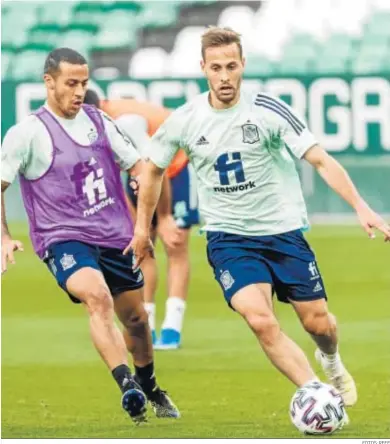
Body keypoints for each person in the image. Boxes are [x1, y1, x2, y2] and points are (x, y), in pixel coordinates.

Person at [128, 27, 390, 407]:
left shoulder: (268, 111)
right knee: (260, 320)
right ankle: (317, 396)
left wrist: (361, 207)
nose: (224, 76)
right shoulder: (185, 120)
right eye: (215, 67)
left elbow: (319, 158)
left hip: (282, 232)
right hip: (229, 239)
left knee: (320, 324)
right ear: (203, 68)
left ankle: (330, 360)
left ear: (242, 65)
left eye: (231, 66)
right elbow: (151, 170)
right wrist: (142, 229)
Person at [1, 47, 180, 423]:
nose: (79, 91)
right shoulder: (27, 133)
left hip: (113, 237)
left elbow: (142, 169)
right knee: (97, 298)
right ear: (49, 82)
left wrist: (143, 225)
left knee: (136, 321)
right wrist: (3, 237)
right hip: (62, 239)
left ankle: (149, 385)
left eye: (84, 83)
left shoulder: (98, 122)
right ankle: (127, 384)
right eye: (71, 83)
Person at [84, 89, 200, 349]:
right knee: (141, 247)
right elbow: (112, 178)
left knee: (175, 244)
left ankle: (172, 327)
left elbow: (156, 165)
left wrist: (165, 216)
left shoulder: (125, 123)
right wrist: (139, 225)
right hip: (142, 173)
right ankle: (146, 323)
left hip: (176, 166)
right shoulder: (92, 128)